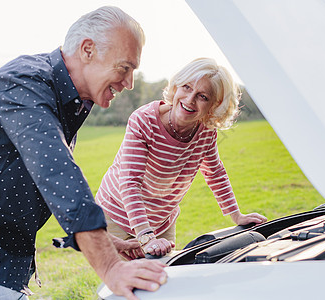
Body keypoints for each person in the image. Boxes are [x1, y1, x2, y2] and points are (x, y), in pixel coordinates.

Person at [0, 6, 167, 300]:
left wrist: (106, 242)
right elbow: (58, 175)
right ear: (88, 50)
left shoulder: (66, 98)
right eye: (125, 68)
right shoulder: (24, 84)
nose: (129, 83)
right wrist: (110, 266)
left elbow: (40, 188)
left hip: (0, 265)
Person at [96, 58, 268, 257]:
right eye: (186, 87)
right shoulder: (143, 121)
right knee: (130, 283)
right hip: (117, 215)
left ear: (215, 105)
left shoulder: (206, 131)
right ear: (176, 87)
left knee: (165, 280)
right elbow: (130, 182)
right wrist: (146, 237)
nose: (189, 99)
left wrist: (237, 215)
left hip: (161, 221)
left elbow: (215, 172)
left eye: (202, 96)